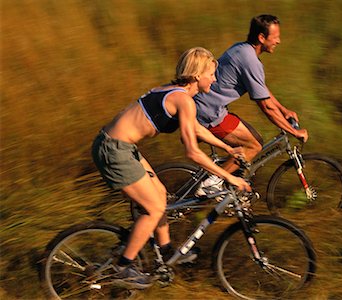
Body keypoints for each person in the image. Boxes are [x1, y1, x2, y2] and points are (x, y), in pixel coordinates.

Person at [91, 47, 251, 288]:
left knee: (161, 195)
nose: (215, 79)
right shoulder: (184, 100)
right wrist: (228, 177)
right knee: (154, 208)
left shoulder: (176, 93)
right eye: (212, 74)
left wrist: (228, 149)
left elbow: (195, 129)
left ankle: (165, 252)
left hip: (119, 146)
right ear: (197, 76)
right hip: (114, 150)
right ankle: (121, 268)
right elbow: (192, 152)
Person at [194, 14, 309, 195]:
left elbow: (260, 88)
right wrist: (293, 131)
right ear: (262, 38)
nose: (279, 41)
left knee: (256, 141)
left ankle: (229, 186)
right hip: (209, 112)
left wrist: (283, 109)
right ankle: (214, 182)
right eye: (275, 37)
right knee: (253, 146)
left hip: (209, 107)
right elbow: (266, 107)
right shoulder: (249, 60)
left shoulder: (244, 49)